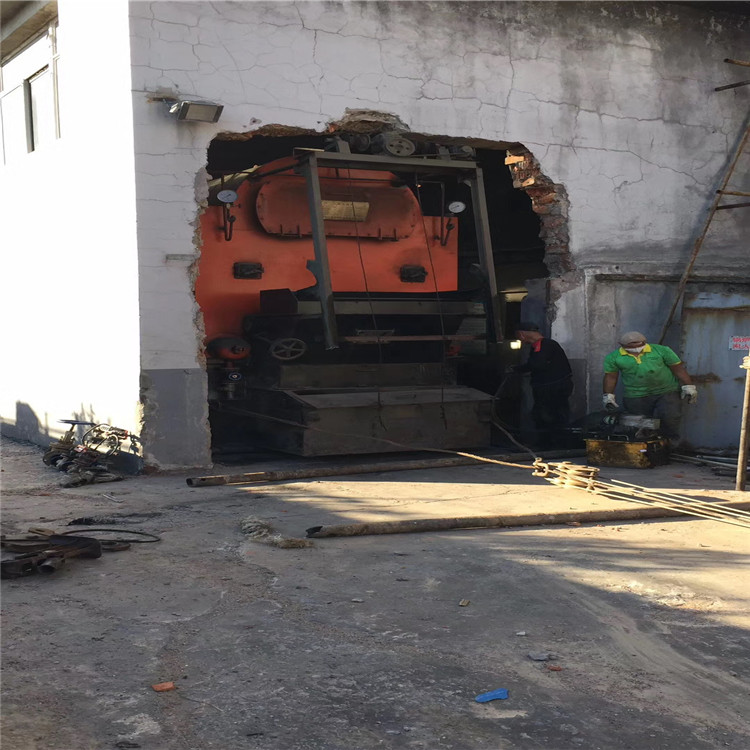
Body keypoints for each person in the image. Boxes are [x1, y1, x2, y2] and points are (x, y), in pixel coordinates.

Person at [602, 330, 697, 440]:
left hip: (666, 391)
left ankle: (669, 445)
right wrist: (608, 396)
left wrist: (689, 386)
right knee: (638, 424)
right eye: (631, 346)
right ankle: (643, 447)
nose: (636, 349)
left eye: (639, 345)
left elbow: (678, 369)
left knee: (670, 419)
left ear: (644, 342)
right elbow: (611, 377)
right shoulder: (614, 357)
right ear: (622, 345)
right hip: (636, 395)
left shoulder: (661, 350)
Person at [513, 321, 573, 448]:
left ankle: (552, 444)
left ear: (522, 334)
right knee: (547, 415)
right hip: (551, 386)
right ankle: (550, 443)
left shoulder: (544, 345)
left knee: (548, 415)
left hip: (552, 388)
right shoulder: (542, 345)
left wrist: (518, 369)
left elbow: (537, 364)